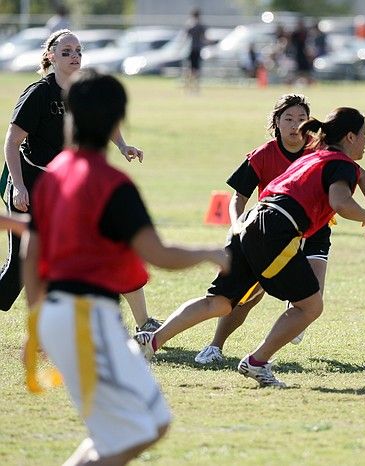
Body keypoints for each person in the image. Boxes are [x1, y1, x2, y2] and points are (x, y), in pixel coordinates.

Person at [21, 69, 229, 466]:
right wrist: (209, 253)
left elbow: (32, 249)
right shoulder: (112, 183)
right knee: (134, 430)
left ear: (70, 118)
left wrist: (37, 319)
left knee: (153, 422)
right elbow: (157, 252)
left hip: (73, 317)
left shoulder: (54, 176)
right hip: (86, 319)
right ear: (118, 122)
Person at [135, 107, 365, 388]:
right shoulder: (338, 161)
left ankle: (153, 339)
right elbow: (340, 202)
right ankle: (257, 362)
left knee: (219, 303)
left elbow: (352, 182)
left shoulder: (315, 156)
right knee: (310, 306)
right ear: (351, 137)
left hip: (251, 222)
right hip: (276, 229)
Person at [193, 94, 365, 365]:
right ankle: (216, 345)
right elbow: (239, 197)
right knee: (246, 297)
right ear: (276, 122)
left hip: (314, 231)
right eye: (288, 118)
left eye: (301, 119)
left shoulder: (320, 150)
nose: (294, 124)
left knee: (313, 298)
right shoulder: (264, 154)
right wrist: (237, 225)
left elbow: (361, 176)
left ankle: (286, 324)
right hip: (274, 230)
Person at [1, 29, 160, 332]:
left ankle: (144, 323)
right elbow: (11, 143)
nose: (74, 56)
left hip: (69, 188)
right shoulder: (39, 93)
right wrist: (19, 187)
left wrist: (122, 145)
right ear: (50, 56)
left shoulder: (84, 90)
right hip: (32, 182)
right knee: (17, 272)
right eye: (66, 51)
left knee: (105, 250)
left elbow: (103, 122)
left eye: (78, 51)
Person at [184, 8, 207, 93]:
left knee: (190, 69)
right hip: (197, 49)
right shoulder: (201, 26)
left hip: (191, 49)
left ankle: (189, 87)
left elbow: (185, 37)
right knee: (197, 69)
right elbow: (204, 38)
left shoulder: (190, 25)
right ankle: (196, 88)